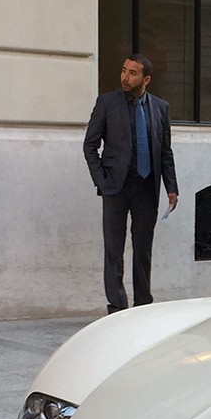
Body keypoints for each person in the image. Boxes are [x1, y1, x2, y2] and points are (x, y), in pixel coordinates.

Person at [83, 54, 179, 313]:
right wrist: (101, 179)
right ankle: (117, 307)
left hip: (147, 187)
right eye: (124, 70)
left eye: (133, 73)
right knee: (114, 249)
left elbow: (165, 151)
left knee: (143, 249)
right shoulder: (107, 103)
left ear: (146, 78)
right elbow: (90, 145)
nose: (125, 77)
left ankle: (143, 306)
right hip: (115, 186)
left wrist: (171, 186)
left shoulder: (160, 107)